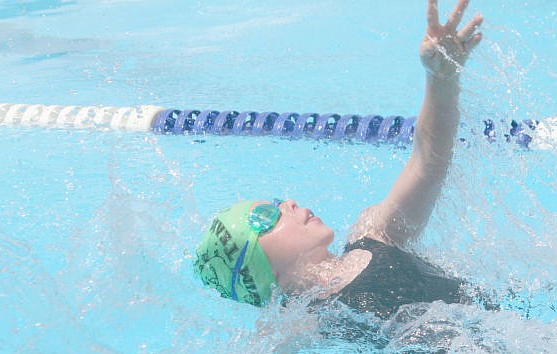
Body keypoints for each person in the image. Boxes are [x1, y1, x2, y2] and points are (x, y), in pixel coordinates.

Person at [195, 0, 484, 318]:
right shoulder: (310, 324)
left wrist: (442, 80)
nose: (288, 203)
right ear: (257, 269)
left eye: (277, 202)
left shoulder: (373, 233)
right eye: (267, 216)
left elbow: (428, 161)